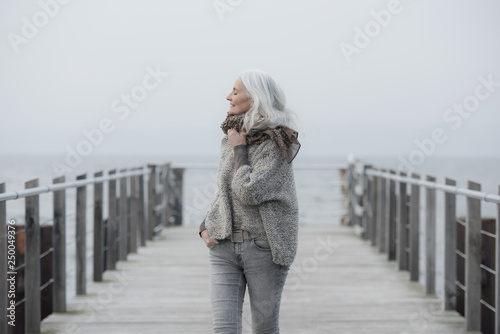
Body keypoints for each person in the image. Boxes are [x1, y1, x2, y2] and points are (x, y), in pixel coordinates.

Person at [199, 69, 301, 334]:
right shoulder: (231, 137)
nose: (227, 97)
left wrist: (239, 149)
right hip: (223, 246)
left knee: (264, 328)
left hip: (264, 247)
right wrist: (205, 223)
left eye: (235, 91)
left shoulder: (278, 142)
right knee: (224, 329)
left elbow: (248, 191)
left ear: (255, 98)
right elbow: (225, 189)